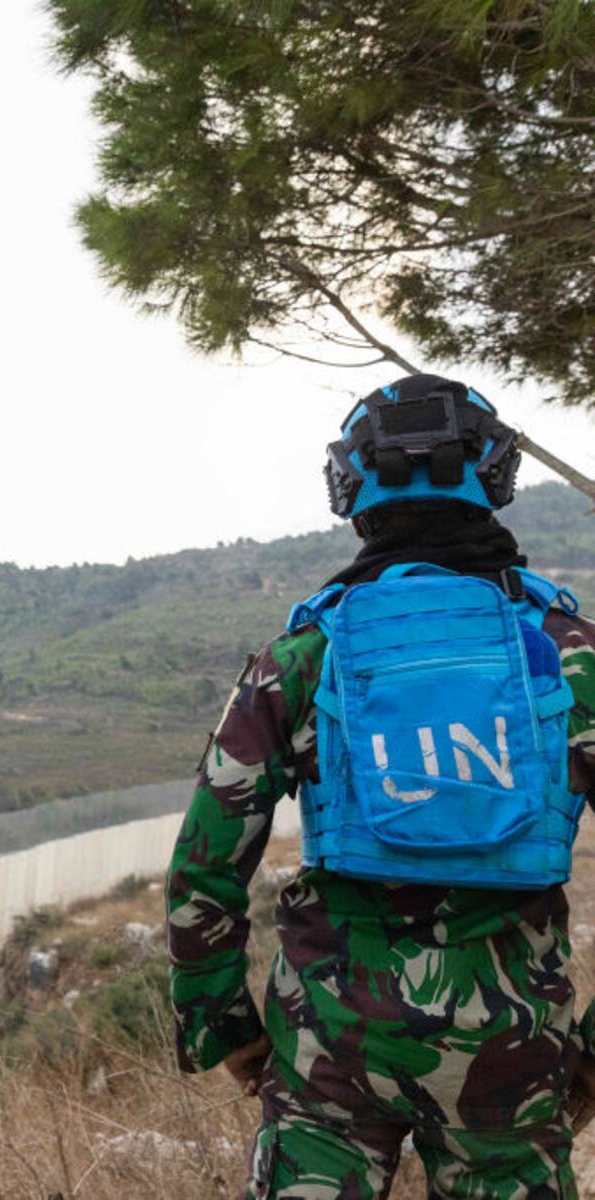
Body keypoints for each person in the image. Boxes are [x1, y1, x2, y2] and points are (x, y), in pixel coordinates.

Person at [167, 374, 595, 1198]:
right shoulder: (572, 654)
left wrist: (230, 1033)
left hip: (328, 1049)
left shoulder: (301, 659)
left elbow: (203, 871)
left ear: (349, 489)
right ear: (497, 479)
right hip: (511, 1053)